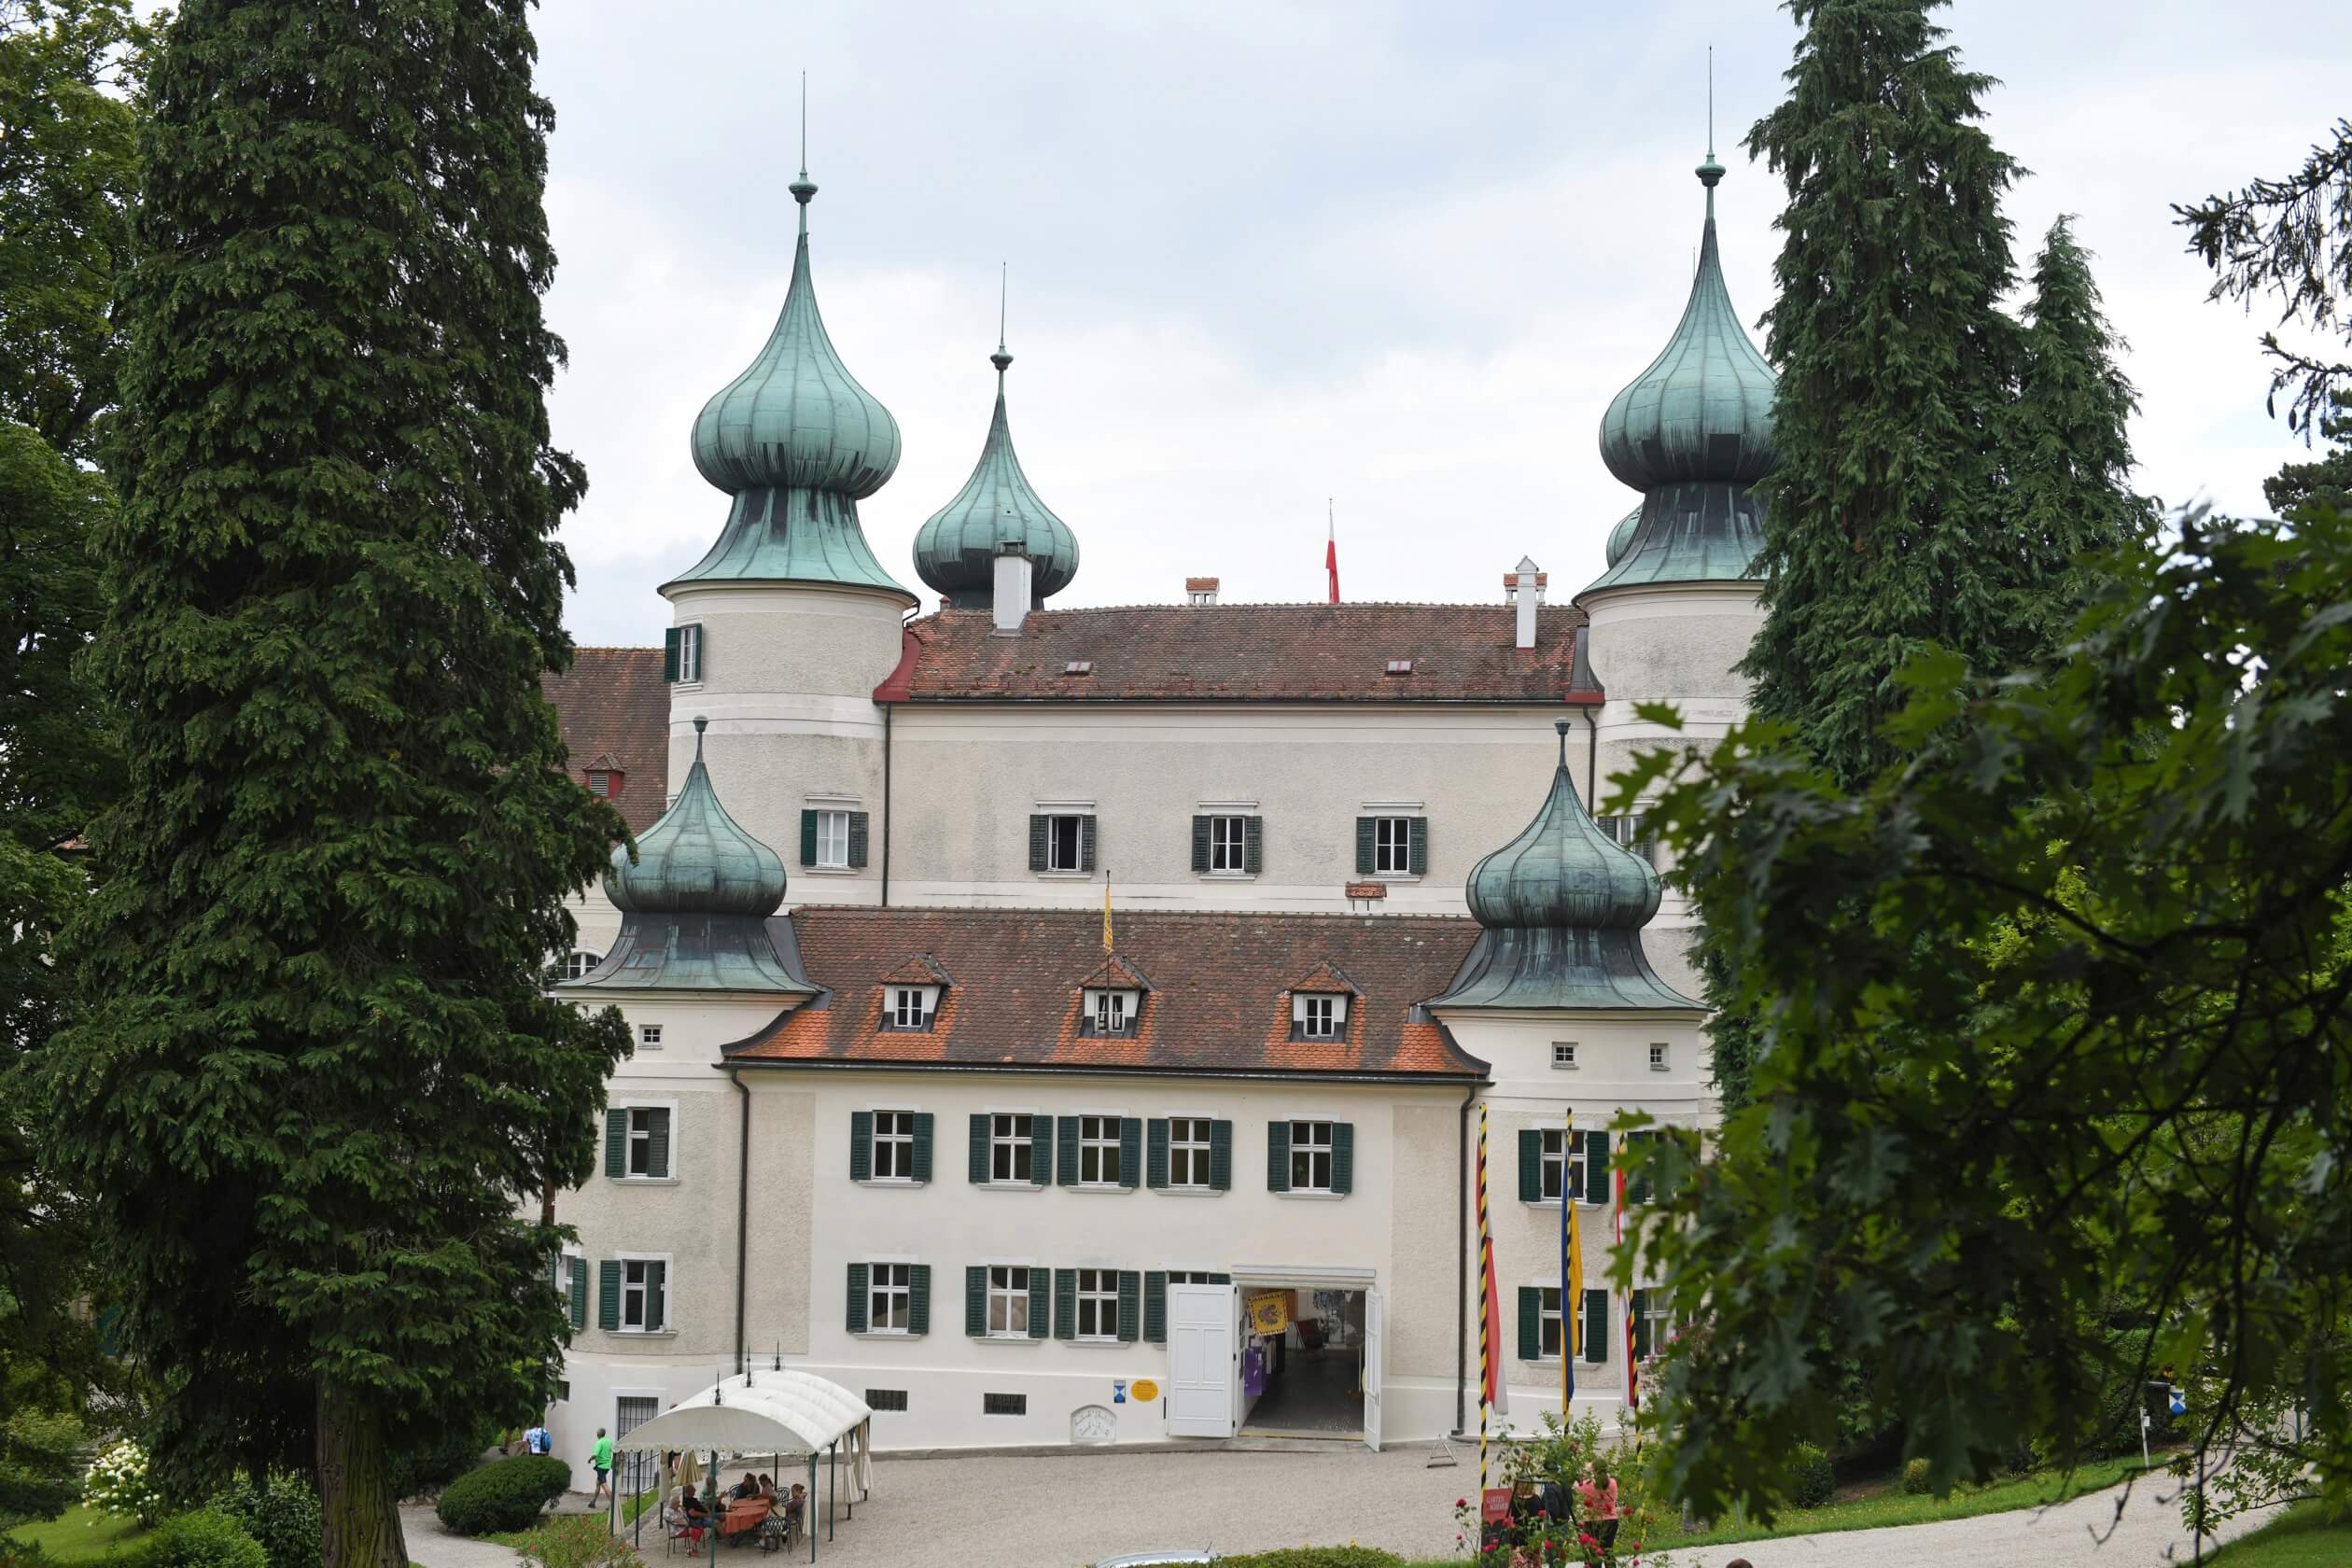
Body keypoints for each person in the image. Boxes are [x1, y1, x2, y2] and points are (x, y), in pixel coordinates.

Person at [589, 1427, 613, 1507]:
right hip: (607, 1465)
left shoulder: (599, 1442)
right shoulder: (609, 1441)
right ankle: (593, 1502)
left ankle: (613, 1504)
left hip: (601, 1467)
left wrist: (589, 1459)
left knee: (604, 1485)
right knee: (598, 1483)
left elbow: (595, 1455)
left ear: (598, 1434)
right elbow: (612, 1450)